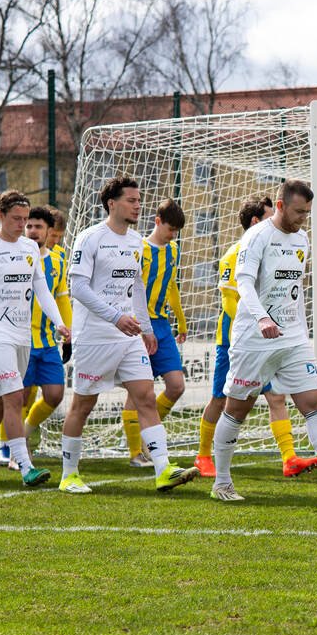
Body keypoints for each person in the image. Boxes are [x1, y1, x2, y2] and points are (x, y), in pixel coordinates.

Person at [209, 180, 317, 502]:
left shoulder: (302, 238)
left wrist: (301, 330)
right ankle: (222, 482)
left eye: (308, 213)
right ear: (281, 206)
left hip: (292, 338)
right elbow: (243, 282)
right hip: (254, 339)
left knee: (315, 402)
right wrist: (262, 318)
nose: (303, 218)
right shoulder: (256, 236)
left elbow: (295, 289)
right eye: (299, 211)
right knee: (237, 410)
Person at [60, 175, 197, 494]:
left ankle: (163, 469)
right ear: (112, 203)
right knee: (83, 405)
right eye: (131, 201)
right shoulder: (90, 238)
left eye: (139, 200)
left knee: (146, 397)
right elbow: (77, 287)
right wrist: (115, 317)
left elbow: (136, 287)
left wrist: (146, 329)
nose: (138, 205)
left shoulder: (137, 242)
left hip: (129, 337)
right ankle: (69, 474)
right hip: (94, 336)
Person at [195, 196, 317, 478]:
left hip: (273, 338)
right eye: (268, 216)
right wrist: (259, 319)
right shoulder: (234, 254)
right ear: (256, 221)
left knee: (277, 396)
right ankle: (204, 455)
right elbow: (230, 302)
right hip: (237, 341)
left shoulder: (283, 249)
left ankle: (289, 457)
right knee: (221, 400)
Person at [0, 190, 67, 486]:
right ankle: (26, 465)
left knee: (2, 399)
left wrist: (59, 323)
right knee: (16, 396)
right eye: (16, 219)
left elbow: (42, 290)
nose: (22, 225)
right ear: (0, 215)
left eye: (25, 219)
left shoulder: (29, 249)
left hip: (22, 336)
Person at [119, 199, 192, 469]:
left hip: (162, 326)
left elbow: (171, 286)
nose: (172, 235)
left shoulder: (173, 250)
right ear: (157, 221)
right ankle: (136, 451)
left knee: (176, 385)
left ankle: (149, 437)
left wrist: (181, 321)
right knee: (139, 390)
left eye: (176, 232)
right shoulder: (141, 249)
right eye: (170, 229)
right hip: (139, 325)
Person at [15, 203, 70, 462]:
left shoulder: (58, 260)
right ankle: (13, 450)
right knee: (19, 397)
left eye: (38, 226)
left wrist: (68, 332)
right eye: (29, 226)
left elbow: (61, 297)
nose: (33, 231)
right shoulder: (15, 257)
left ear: (49, 232)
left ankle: (23, 433)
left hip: (47, 341)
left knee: (55, 394)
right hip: (21, 339)